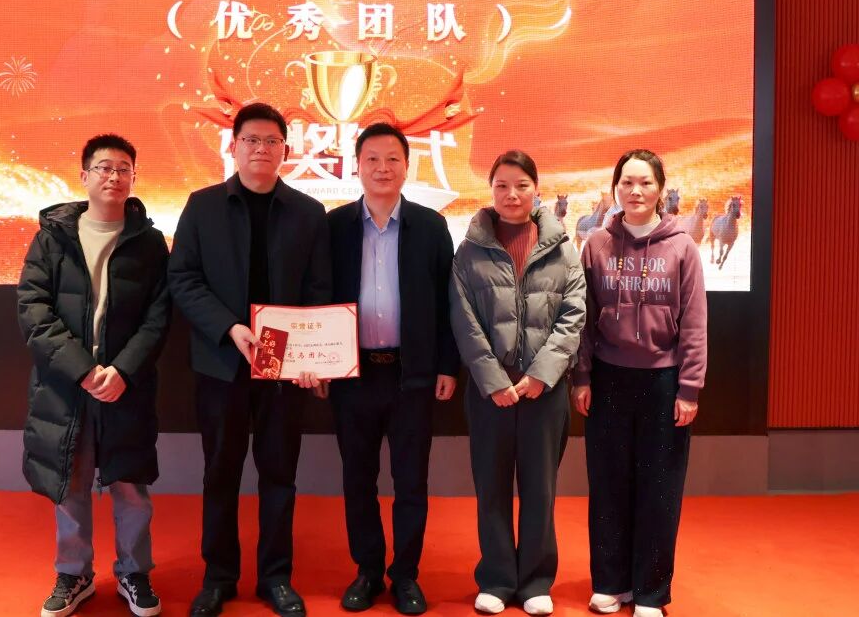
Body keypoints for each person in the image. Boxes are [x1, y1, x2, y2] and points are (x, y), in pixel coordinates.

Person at [169, 103, 332, 617]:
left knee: (279, 474)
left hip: (284, 368)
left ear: (286, 150)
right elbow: (183, 279)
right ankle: (218, 578)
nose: (261, 149)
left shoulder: (308, 212)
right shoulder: (202, 206)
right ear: (234, 146)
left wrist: (313, 357)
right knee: (220, 473)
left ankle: (275, 578)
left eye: (271, 141)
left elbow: (319, 290)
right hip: (222, 363)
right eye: (251, 140)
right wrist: (229, 326)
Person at [18, 134, 172, 617]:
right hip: (67, 387)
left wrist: (123, 370)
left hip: (126, 385)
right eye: (104, 167)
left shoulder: (149, 243)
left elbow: (158, 317)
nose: (114, 177)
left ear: (133, 178)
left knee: (130, 484)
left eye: (124, 168)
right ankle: (74, 573)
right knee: (71, 481)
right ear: (84, 175)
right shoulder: (52, 238)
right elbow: (33, 311)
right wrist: (83, 371)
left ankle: (134, 571)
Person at [324, 123, 460, 615]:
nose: (382, 168)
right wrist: (318, 363)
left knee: (410, 481)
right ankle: (366, 570)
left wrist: (447, 364)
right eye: (372, 159)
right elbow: (317, 295)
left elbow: (450, 301)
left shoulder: (430, 226)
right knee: (357, 479)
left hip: (412, 375)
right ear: (356, 166)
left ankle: (405, 574)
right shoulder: (334, 226)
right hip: (352, 373)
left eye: (392, 160)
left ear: (406, 167)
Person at [448, 150, 587, 617]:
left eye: (521, 185)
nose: (512, 195)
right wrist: (492, 380)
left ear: (536, 189)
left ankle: (535, 581)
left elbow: (573, 317)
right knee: (490, 488)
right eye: (502, 186)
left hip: (544, 393)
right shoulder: (469, 252)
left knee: (540, 489)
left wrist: (541, 375)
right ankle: (496, 578)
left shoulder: (563, 248)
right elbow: (464, 321)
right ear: (491, 190)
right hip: (490, 393)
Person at [572, 149, 708, 617]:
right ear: (616, 188)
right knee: (608, 484)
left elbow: (694, 322)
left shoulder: (682, 247)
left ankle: (650, 591)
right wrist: (582, 375)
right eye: (627, 182)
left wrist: (689, 388)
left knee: (659, 488)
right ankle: (611, 583)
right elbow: (583, 318)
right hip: (607, 379)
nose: (636, 191)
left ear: (660, 189)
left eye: (646, 182)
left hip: (663, 382)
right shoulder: (595, 245)